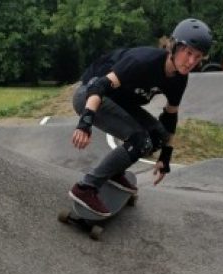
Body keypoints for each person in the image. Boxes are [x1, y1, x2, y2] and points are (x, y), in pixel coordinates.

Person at [68, 18, 213, 216]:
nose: (191, 62)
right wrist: (85, 122)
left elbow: (170, 117)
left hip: (119, 102)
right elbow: (98, 86)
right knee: (140, 141)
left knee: (157, 136)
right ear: (174, 46)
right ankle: (86, 188)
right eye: (188, 53)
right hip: (90, 96)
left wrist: (165, 156)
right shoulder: (143, 61)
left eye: (197, 57)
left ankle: (114, 172)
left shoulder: (180, 78)